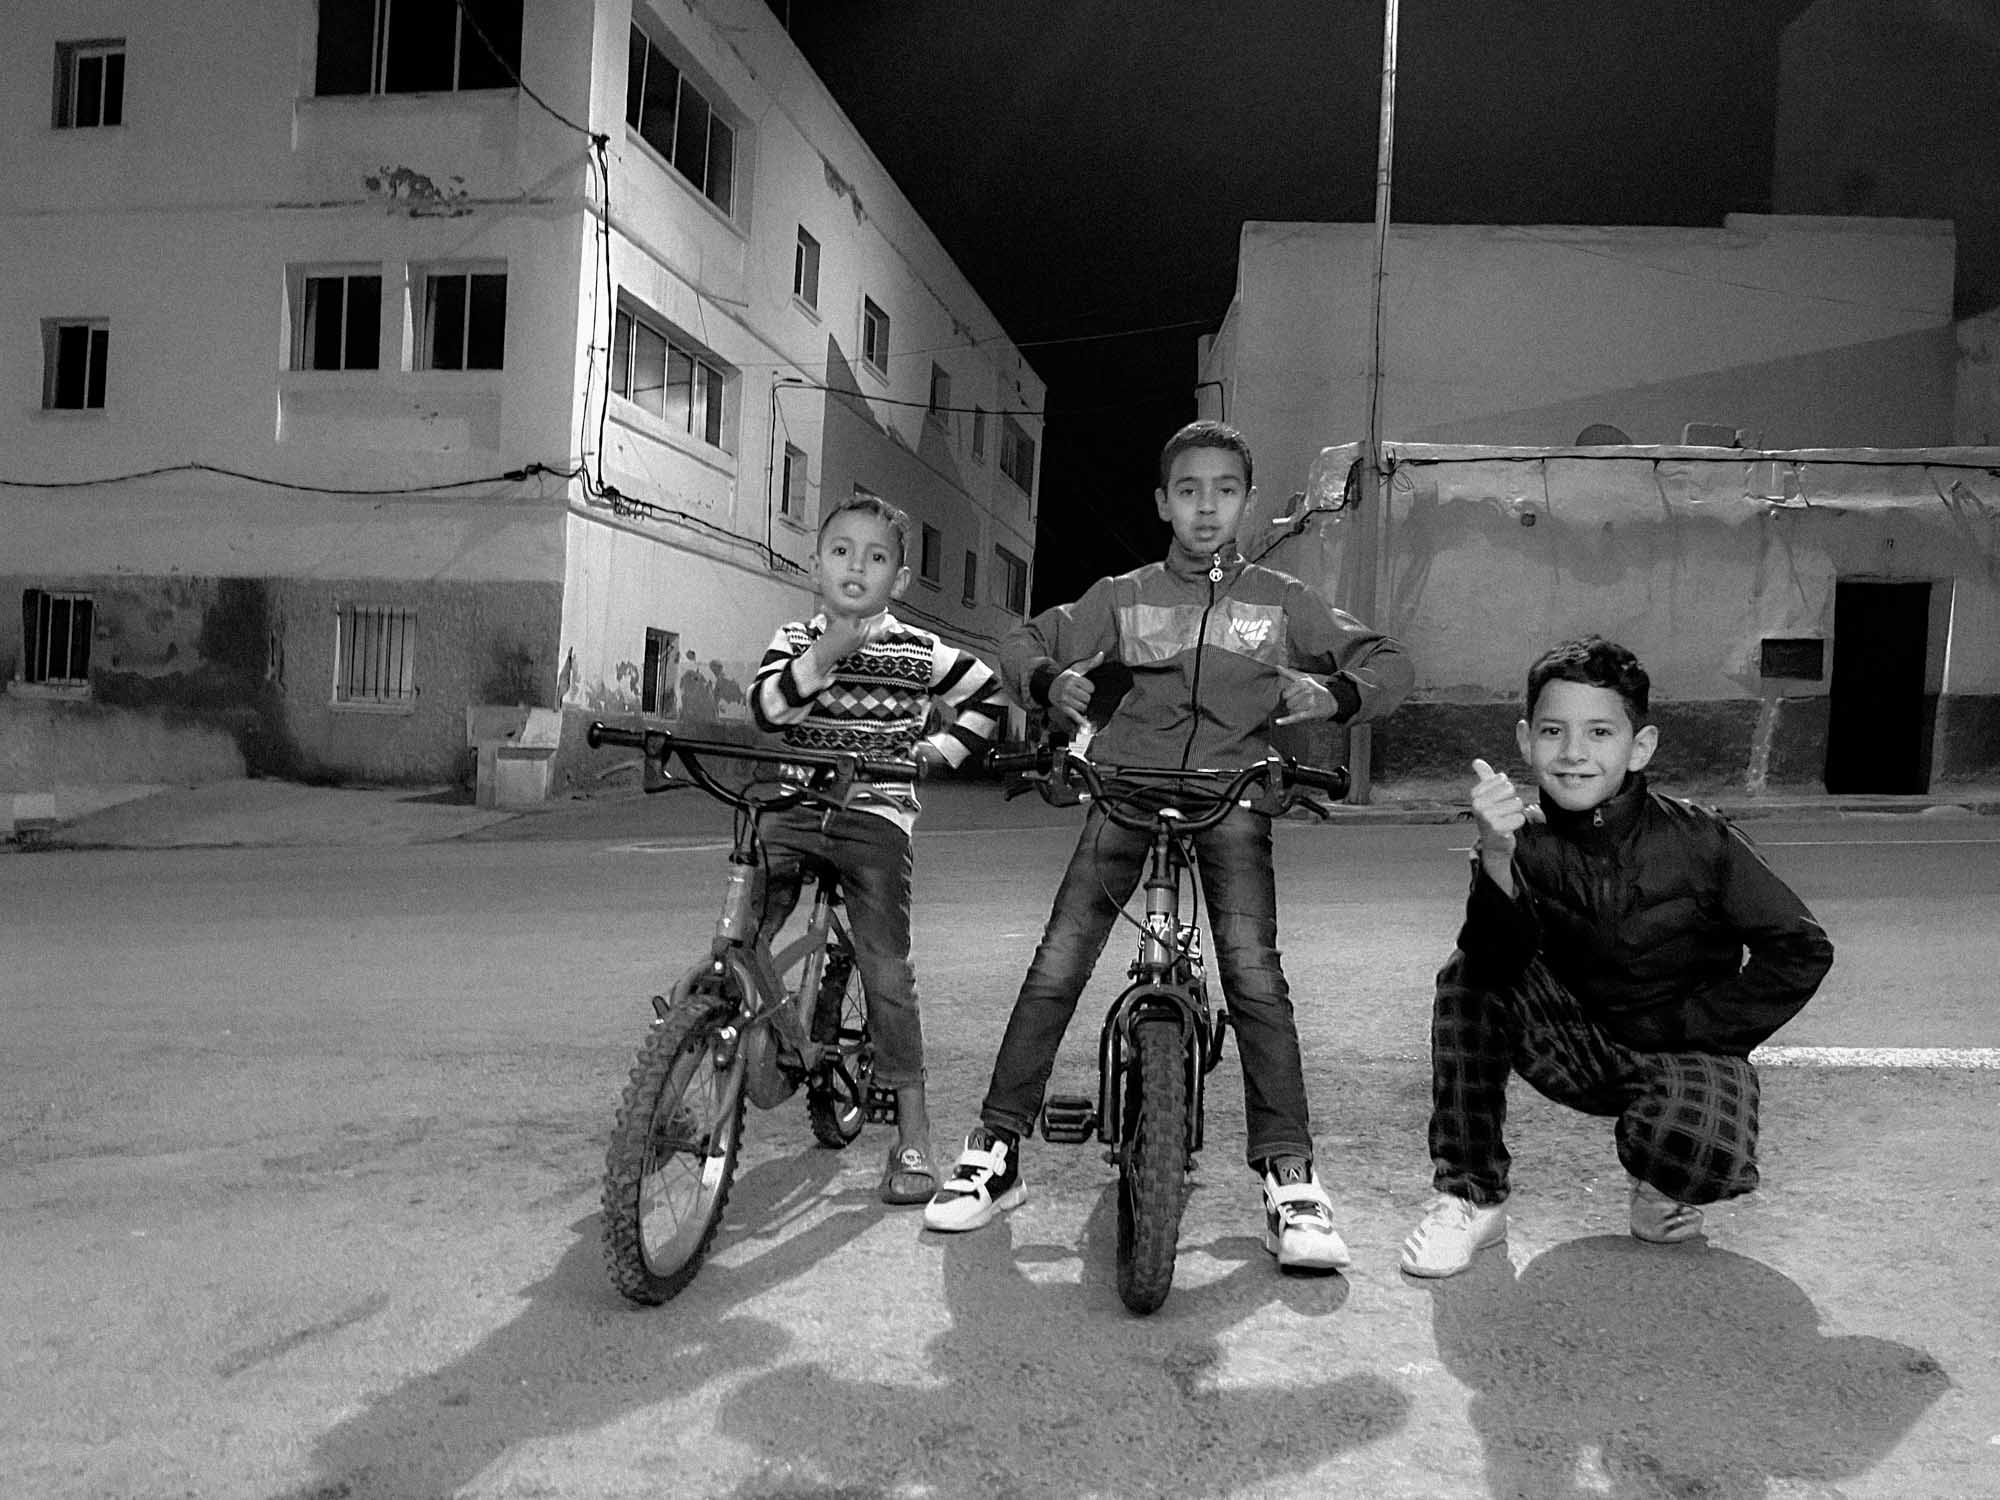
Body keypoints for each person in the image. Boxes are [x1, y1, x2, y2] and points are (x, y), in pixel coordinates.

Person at [923, 419, 1414, 1270]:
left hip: (1232, 792)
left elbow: (1390, 660)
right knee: (1058, 961)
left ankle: (1291, 1178)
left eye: (1224, 490)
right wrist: (1047, 680)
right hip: (1125, 785)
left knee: (1253, 974)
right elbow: (1023, 638)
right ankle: (995, 1150)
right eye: (1188, 491)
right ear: (1162, 503)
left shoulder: (1283, 599)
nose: (1206, 507)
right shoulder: (1125, 594)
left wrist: (1336, 694)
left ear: (1247, 501)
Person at [1400, 635, 1835, 1277]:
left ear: (1640, 746)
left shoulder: (1702, 838)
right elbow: (1495, 961)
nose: (1573, 752)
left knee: (1702, 1155)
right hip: (1575, 1047)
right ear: (1525, 741)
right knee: (1468, 976)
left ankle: (1661, 1187)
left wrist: (1697, 1026)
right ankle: (1471, 1197)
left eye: (1599, 732)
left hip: (1681, 1049)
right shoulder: (1518, 840)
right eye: (1553, 731)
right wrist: (1496, 853)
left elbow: (1801, 948)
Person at [751, 494, 1007, 1206]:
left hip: (876, 816)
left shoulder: (918, 651)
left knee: (886, 971)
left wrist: (936, 751)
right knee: (741, 932)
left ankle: (913, 1133)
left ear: (899, 577)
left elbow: (987, 695)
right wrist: (823, 655)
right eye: (841, 551)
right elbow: (768, 710)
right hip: (798, 809)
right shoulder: (794, 636)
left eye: (876, 556)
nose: (855, 567)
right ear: (816, 565)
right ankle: (697, 1057)